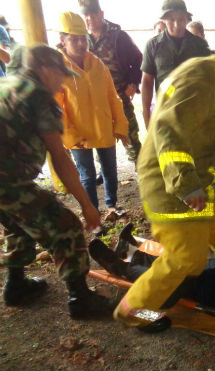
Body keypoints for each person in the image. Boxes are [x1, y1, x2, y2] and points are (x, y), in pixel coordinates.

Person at [113, 35, 215, 331]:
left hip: (199, 178)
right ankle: (133, 312)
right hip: (170, 186)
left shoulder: (211, 77)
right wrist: (186, 185)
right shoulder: (203, 80)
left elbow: (203, 131)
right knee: (188, 260)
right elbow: (170, 129)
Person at [0, 44, 115, 318]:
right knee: (65, 225)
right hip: (7, 181)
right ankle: (80, 299)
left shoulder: (7, 84)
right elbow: (60, 159)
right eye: (59, 74)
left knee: (18, 221)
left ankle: (16, 285)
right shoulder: (37, 96)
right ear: (43, 69)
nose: (62, 82)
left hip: (5, 184)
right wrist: (87, 206)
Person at [55, 11, 128, 221]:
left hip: (103, 128)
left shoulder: (97, 64)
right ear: (62, 40)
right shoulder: (58, 68)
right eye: (74, 39)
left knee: (110, 171)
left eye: (83, 39)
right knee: (86, 176)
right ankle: (92, 213)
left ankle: (112, 206)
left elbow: (113, 97)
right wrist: (69, 136)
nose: (80, 43)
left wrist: (120, 126)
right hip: (79, 134)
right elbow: (57, 108)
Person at [79, 0, 144, 165]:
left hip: (119, 94)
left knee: (130, 135)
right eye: (85, 15)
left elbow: (138, 59)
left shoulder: (118, 36)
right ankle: (105, 170)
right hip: (94, 99)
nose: (89, 19)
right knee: (100, 136)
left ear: (101, 14)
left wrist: (133, 83)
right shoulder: (81, 39)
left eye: (93, 15)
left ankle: (141, 168)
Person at [140, 0, 211, 128]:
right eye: (171, 19)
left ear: (187, 19)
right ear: (164, 19)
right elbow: (147, 80)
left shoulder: (199, 45)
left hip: (194, 114)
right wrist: (146, 114)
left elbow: (208, 78)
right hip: (165, 113)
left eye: (181, 19)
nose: (177, 24)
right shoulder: (153, 46)